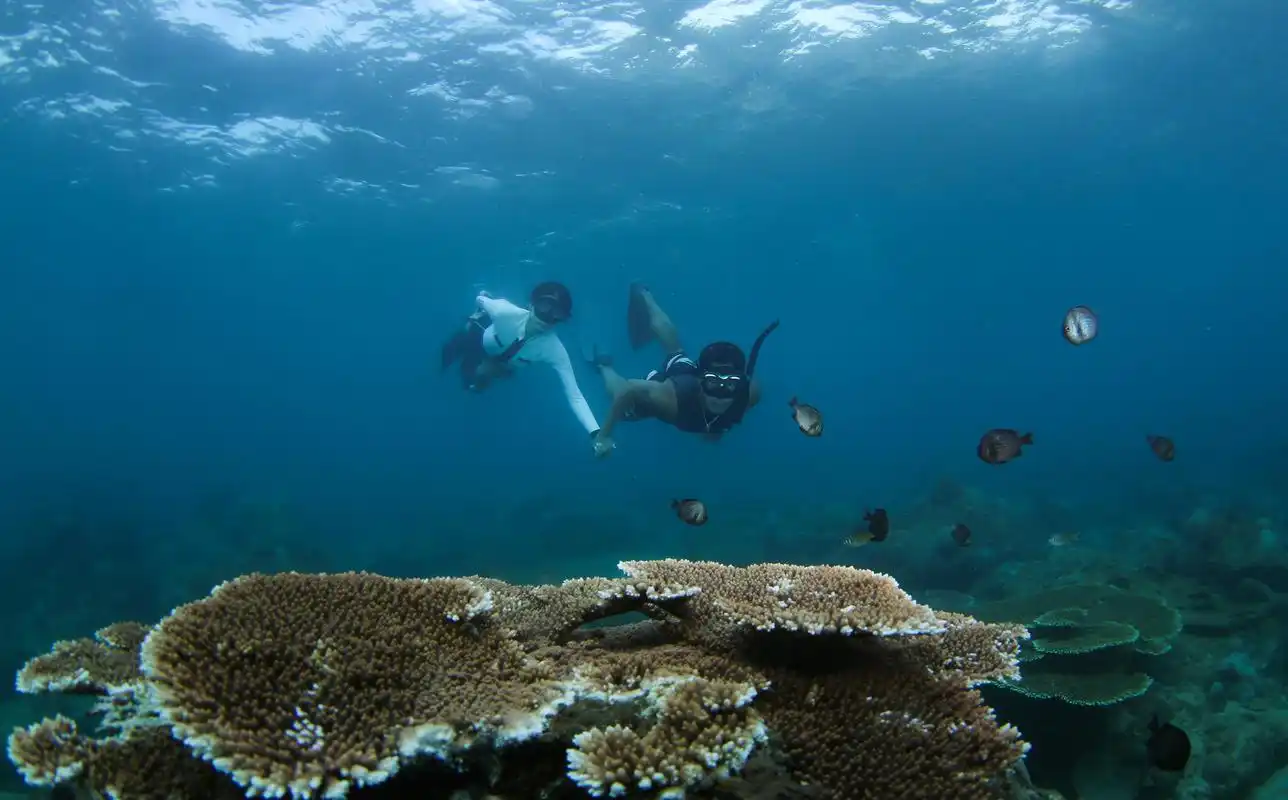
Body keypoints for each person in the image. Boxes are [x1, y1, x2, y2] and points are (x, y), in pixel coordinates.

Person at [589, 283, 778, 456]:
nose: (720, 394)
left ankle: (645, 293)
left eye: (731, 384)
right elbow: (627, 389)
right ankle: (605, 365)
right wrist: (604, 435)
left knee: (675, 351)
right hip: (676, 387)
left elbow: (737, 408)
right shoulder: (670, 398)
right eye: (713, 381)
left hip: (687, 375)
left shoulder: (750, 394)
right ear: (699, 380)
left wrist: (717, 430)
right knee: (626, 410)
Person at [440, 281, 607, 454]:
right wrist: (483, 305)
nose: (547, 318)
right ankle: (469, 333)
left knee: (476, 384)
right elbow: (480, 298)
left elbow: (575, 395)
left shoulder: (554, 349)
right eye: (544, 307)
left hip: (505, 364)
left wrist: (596, 434)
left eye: (557, 313)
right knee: (450, 355)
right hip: (478, 341)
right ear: (531, 304)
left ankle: (481, 376)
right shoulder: (504, 312)